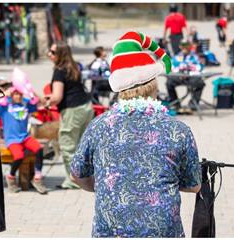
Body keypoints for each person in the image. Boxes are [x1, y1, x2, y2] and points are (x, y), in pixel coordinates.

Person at [70, 30, 201, 238]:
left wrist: (107, 185)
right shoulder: (178, 130)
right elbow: (193, 185)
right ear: (153, 83)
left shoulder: (98, 126)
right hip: (161, 231)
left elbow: (77, 174)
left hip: (111, 231)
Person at [46, 41, 94, 189]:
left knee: (68, 146)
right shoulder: (74, 66)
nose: (49, 54)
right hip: (86, 107)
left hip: (72, 110)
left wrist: (44, 102)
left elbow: (57, 97)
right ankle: (87, 177)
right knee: (82, 145)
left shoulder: (59, 71)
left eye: (53, 52)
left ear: (60, 54)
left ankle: (74, 181)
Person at [0, 87, 48, 194]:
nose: (18, 96)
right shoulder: (4, 108)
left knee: (39, 149)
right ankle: (11, 177)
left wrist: (33, 92)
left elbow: (44, 102)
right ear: (11, 95)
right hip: (12, 139)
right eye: (15, 94)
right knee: (19, 156)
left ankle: (37, 178)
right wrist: (4, 93)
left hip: (25, 137)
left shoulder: (25, 105)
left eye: (20, 94)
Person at [166, 41, 205, 110]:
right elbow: (172, 67)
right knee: (169, 83)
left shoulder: (195, 56)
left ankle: (193, 103)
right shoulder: (177, 56)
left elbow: (200, 67)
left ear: (190, 47)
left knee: (201, 83)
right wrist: (179, 72)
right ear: (180, 47)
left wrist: (190, 69)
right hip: (179, 77)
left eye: (187, 46)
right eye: (183, 46)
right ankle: (175, 103)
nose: (185, 48)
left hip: (191, 77)